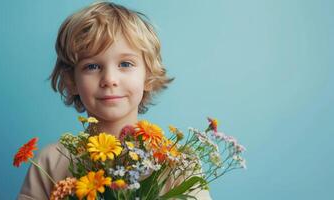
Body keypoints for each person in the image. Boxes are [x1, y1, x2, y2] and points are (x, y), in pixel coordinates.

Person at [18, 1, 212, 199]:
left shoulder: (179, 165)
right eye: (92, 66)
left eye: (125, 64)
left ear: (148, 76)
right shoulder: (50, 161)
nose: (109, 79)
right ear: (71, 80)